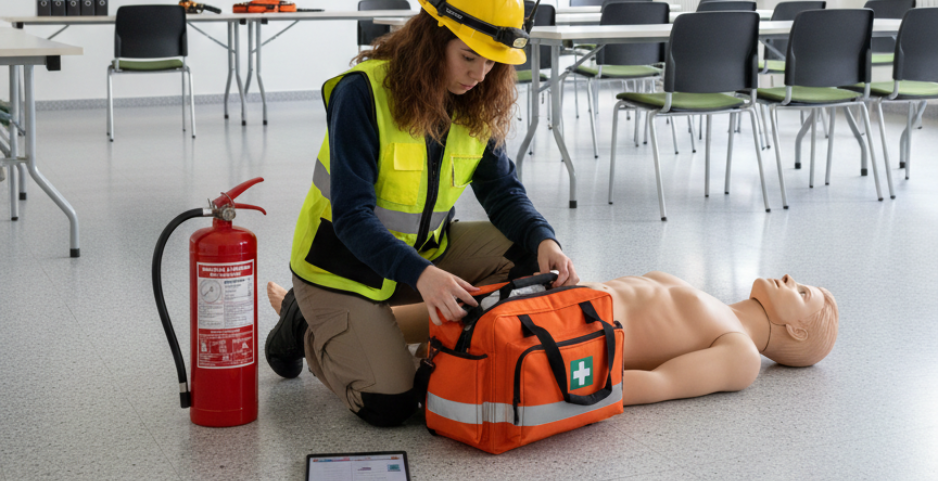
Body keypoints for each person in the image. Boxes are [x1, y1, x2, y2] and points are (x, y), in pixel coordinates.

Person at [265, 0, 579, 427]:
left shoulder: (476, 97)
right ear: (432, 40)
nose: (479, 75)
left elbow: (503, 190)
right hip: (340, 267)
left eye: (492, 62)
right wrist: (422, 275)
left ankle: (438, 341)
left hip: (422, 254)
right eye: (468, 57)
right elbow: (352, 216)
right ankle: (303, 325)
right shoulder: (361, 92)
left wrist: (545, 239)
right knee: (391, 405)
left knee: (529, 258)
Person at [268, 271, 838, 407]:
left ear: (795, 331)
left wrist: (557, 389)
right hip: (566, 306)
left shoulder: (738, 354)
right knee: (464, 305)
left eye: (805, 293)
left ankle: (310, 327)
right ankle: (326, 316)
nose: (793, 278)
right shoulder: (714, 297)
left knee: (457, 346)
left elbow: (656, 383)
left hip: (570, 344)